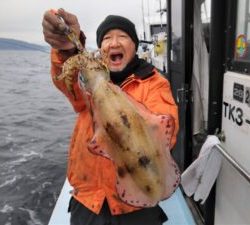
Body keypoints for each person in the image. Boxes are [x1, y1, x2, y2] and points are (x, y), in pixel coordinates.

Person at [42, 8, 179, 225]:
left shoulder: (154, 83)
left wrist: (110, 94)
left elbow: (165, 134)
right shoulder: (88, 88)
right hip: (89, 200)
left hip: (135, 204)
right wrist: (67, 50)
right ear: (101, 48)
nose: (114, 42)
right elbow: (71, 90)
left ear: (135, 46)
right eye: (107, 38)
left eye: (122, 36)